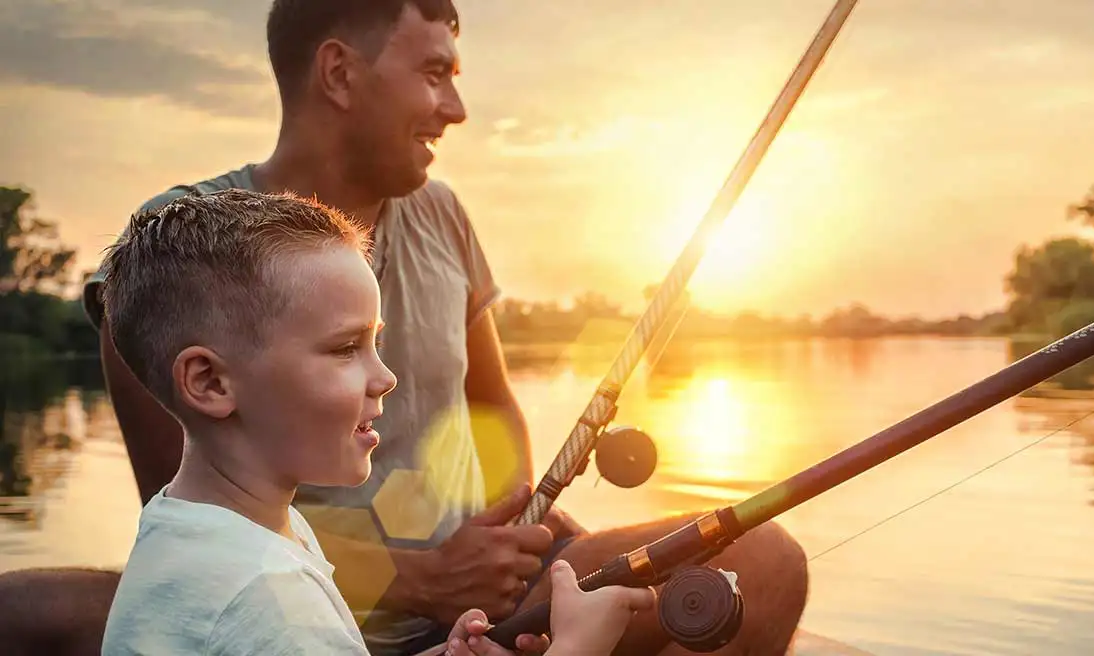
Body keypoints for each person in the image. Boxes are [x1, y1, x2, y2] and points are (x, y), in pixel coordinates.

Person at [4, 1, 809, 654]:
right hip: (289, 588)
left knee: (762, 559)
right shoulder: (179, 248)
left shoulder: (445, 213)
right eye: (434, 75)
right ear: (339, 73)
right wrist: (423, 581)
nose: (455, 109)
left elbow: (494, 407)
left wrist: (518, 532)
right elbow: (187, 503)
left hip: (476, 594)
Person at [96, 188, 656, 655]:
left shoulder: (207, 529)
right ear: (210, 383)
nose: (385, 377)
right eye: (345, 349)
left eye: (375, 343)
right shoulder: (268, 601)